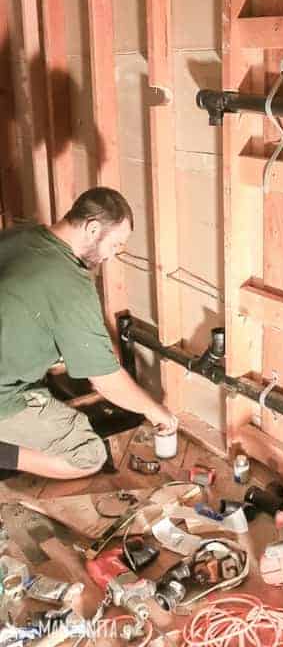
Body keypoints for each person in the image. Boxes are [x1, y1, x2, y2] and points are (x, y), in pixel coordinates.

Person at [0, 187, 177, 479]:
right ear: (93, 229)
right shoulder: (71, 285)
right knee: (88, 454)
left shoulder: (22, 235)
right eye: (116, 243)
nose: (114, 254)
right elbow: (107, 383)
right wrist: (156, 411)